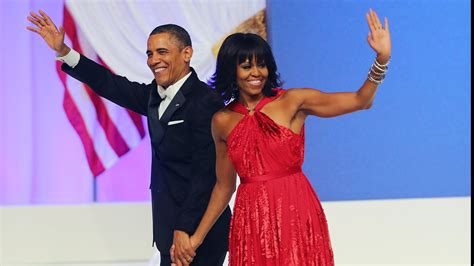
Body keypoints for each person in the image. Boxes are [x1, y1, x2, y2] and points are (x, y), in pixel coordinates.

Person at [178, 9, 391, 265]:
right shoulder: (221, 121)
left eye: (262, 64)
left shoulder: (293, 101)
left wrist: (382, 58)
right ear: (230, 71)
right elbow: (224, 187)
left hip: (295, 211)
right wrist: (196, 238)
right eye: (246, 66)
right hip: (251, 220)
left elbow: (361, 100)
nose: (256, 72)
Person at [26, 10, 231, 266]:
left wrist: (186, 230)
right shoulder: (155, 96)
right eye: (150, 53)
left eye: (162, 52)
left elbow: (205, 176)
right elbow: (110, 84)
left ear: (186, 53)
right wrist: (65, 51)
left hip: (199, 231)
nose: (153, 60)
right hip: (171, 229)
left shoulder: (205, 102)